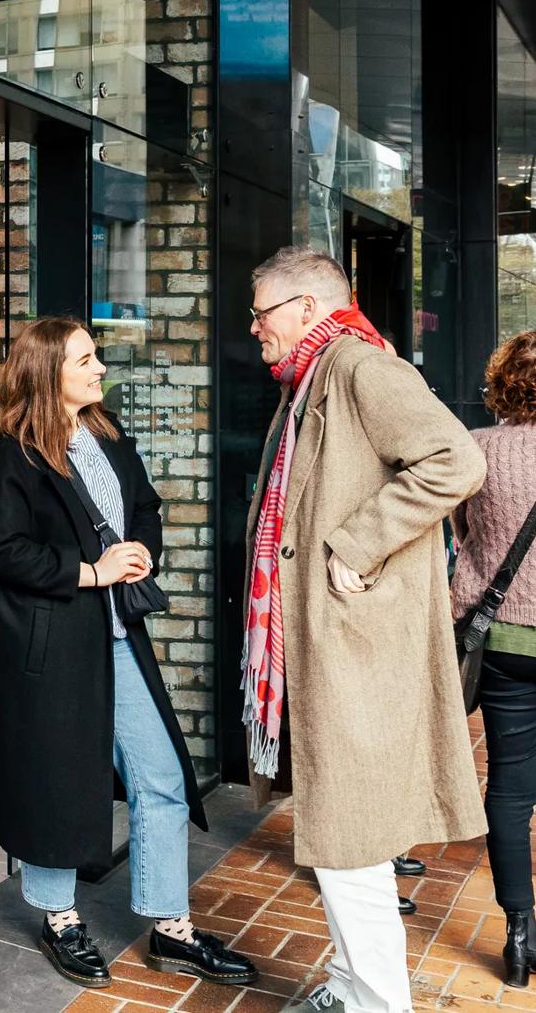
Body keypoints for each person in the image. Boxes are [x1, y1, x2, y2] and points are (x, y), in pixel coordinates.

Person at [0, 316, 257, 989]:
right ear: (48, 373)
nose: (100, 368)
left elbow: (146, 508)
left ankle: (171, 928)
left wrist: (139, 551)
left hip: (117, 640)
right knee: (56, 781)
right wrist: (92, 572)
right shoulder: (11, 457)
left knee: (159, 775)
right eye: (85, 359)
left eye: (96, 356)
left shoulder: (107, 437)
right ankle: (59, 918)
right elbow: (6, 552)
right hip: (51, 651)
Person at [243, 248, 486, 1013]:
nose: (254, 330)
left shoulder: (358, 369)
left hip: (354, 647)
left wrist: (358, 543)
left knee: (348, 839)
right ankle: (352, 987)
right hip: (332, 645)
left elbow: (457, 459)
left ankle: (377, 1003)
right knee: (344, 837)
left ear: (308, 307)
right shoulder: (315, 375)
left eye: (261, 313)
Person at [451, 330, 536, 986]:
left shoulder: (476, 450)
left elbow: (464, 538)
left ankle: (518, 935)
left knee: (510, 789)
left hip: (502, 642)